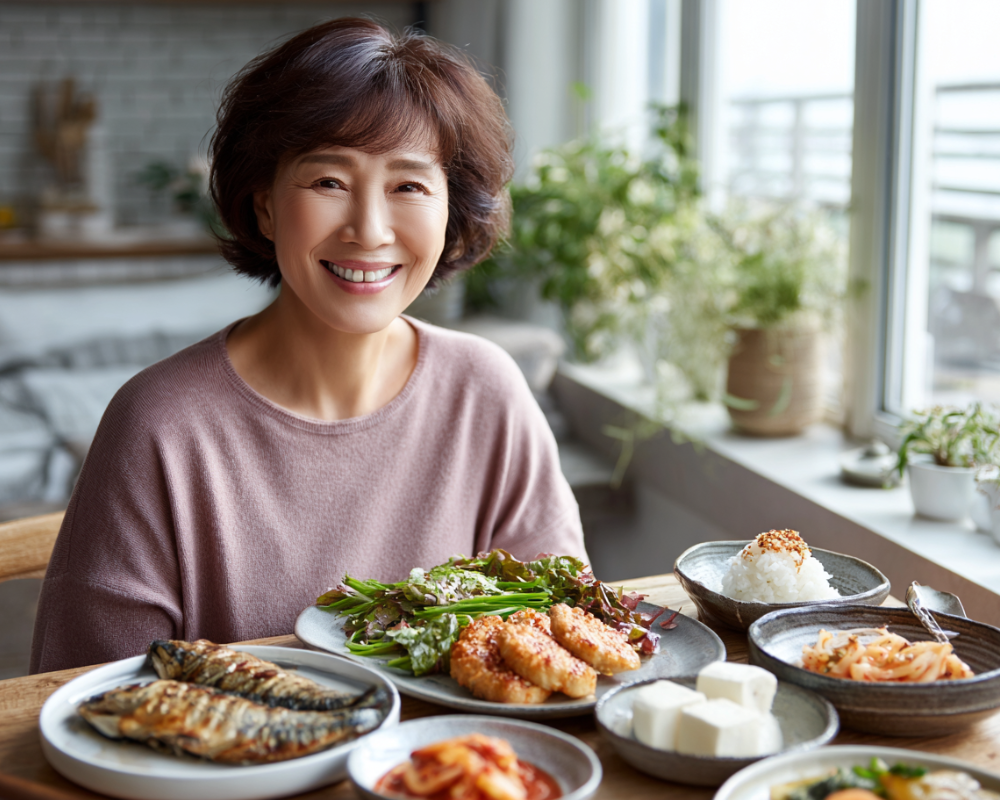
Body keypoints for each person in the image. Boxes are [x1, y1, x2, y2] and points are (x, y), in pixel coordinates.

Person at [30, 18, 588, 674]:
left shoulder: (486, 390)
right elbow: (90, 703)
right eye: (329, 181)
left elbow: (557, 651)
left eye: (408, 186)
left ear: (451, 211)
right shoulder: (158, 424)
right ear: (264, 206)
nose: (369, 230)